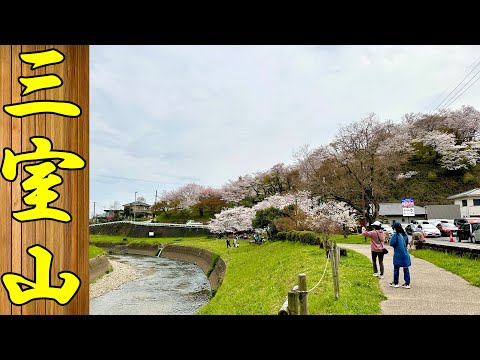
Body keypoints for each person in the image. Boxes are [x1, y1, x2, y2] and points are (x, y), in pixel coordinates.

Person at [389, 221, 411, 289]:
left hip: (398, 254)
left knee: (396, 268)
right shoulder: (405, 235)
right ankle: (407, 284)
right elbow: (407, 243)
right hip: (405, 253)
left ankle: (396, 283)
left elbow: (391, 243)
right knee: (406, 268)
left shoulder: (395, 235)